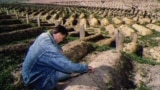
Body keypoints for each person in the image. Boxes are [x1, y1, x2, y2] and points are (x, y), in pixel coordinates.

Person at [22, 25, 94, 90]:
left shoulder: (44, 35)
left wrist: (58, 48)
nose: (62, 40)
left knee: (65, 71)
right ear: (59, 34)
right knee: (66, 72)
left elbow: (53, 44)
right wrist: (85, 68)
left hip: (28, 73)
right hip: (34, 80)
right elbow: (67, 66)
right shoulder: (50, 49)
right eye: (63, 38)